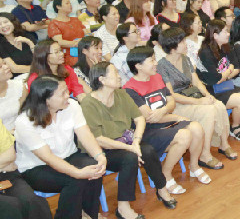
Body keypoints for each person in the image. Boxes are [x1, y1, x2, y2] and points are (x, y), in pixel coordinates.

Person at [82, 62, 177, 217]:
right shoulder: (88, 103)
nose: (119, 76)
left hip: (126, 141)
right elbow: (97, 139)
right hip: (102, 149)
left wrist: (136, 142)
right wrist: (131, 148)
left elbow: (139, 118)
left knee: (148, 150)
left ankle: (162, 188)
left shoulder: (121, 94)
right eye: (115, 73)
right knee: (130, 158)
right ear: (102, 79)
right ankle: (123, 207)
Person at [15, 75, 105, 219]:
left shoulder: (72, 105)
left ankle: (89, 214)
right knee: (74, 180)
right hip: (37, 167)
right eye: (62, 93)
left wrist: (100, 156)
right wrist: (77, 173)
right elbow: (48, 157)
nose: (68, 95)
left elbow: (85, 134)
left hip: (69, 155)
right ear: (46, 100)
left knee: (95, 168)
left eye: (66, 90)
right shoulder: (25, 121)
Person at [123, 47, 210, 194]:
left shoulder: (157, 77)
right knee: (184, 135)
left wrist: (164, 110)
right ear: (138, 66)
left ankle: (194, 166)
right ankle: (166, 174)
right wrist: (176, 117)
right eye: (151, 60)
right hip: (147, 130)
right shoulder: (129, 89)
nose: (156, 63)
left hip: (166, 121)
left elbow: (171, 102)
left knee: (197, 128)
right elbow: (150, 118)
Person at [157, 27, 236, 167]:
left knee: (218, 105)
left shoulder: (185, 59)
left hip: (192, 96)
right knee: (208, 111)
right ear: (172, 47)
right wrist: (198, 101)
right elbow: (171, 95)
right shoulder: (162, 66)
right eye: (182, 41)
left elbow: (197, 82)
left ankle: (224, 144)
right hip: (177, 104)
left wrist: (207, 95)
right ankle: (204, 154)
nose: (185, 43)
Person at [196, 20, 240, 141]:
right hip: (211, 89)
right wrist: (229, 70)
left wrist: (226, 74)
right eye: (225, 31)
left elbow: (236, 67)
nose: (228, 34)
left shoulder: (225, 46)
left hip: (226, 84)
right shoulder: (205, 52)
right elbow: (216, 79)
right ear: (215, 35)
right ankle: (234, 127)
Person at [0, 118, 53, 219]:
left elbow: (9, 155)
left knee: (33, 202)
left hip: (6, 175)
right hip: (5, 168)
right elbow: (6, 160)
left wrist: (4, 164)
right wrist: (3, 165)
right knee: (11, 207)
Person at [48, 0, 87, 67]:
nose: (70, 5)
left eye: (70, 3)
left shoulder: (75, 20)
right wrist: (77, 43)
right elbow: (59, 42)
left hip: (84, 50)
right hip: (67, 55)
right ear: (58, 6)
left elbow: (86, 33)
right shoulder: (54, 23)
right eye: (67, 3)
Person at [0, 13, 35, 77]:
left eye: (5, 22)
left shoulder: (27, 36)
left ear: (13, 22)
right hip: (18, 79)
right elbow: (14, 69)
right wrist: (38, 69)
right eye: (0, 24)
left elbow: (40, 58)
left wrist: (29, 42)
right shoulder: (1, 45)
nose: (3, 26)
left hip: (37, 74)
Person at [0, 57, 28, 131]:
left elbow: (25, 113)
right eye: (0, 67)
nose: (6, 67)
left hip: (20, 131)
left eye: (4, 63)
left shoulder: (19, 86)